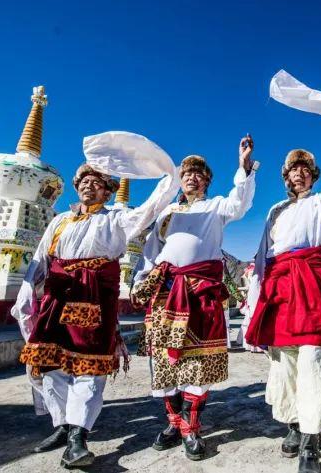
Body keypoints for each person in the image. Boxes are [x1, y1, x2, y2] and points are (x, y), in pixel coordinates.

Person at [12, 132, 179, 468]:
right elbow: (40, 261)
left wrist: (169, 179)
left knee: (89, 370)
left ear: (107, 189)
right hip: (56, 300)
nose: (89, 186)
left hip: (93, 302)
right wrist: (27, 299)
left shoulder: (116, 220)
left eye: (97, 182)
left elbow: (149, 210)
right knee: (48, 367)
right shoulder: (59, 221)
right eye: (84, 181)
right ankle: (63, 425)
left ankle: (78, 438)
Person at [245, 70, 321, 473]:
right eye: (292, 170)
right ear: (285, 178)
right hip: (280, 286)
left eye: (305, 169)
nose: (298, 174)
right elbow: (262, 258)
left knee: (315, 355)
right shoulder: (275, 211)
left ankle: (312, 440)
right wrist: (255, 299)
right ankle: (297, 422)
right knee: (286, 359)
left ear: (313, 176)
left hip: (311, 282)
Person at [132, 136, 256, 460]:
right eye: (187, 172)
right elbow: (151, 253)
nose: (192, 177)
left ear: (207, 181)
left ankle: (191, 426)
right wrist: (140, 280)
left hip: (200, 294)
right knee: (164, 362)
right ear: (179, 180)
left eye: (199, 173)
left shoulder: (216, 208)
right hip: (165, 294)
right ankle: (174, 423)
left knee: (197, 364)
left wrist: (243, 168)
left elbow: (239, 203)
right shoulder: (166, 213)